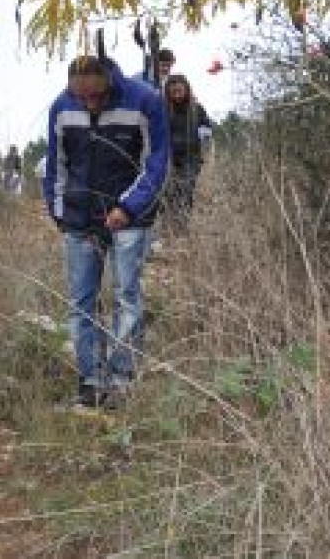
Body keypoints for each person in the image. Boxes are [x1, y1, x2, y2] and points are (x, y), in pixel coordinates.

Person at [43, 55, 170, 409]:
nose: (89, 103)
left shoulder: (144, 101)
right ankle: (90, 380)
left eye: (95, 96)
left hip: (132, 218)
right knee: (81, 302)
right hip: (79, 219)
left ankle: (121, 380)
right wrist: (59, 213)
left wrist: (127, 207)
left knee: (126, 296)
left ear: (109, 82)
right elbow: (56, 164)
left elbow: (156, 162)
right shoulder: (62, 106)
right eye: (81, 96)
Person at [163, 74, 213, 230]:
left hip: (191, 158)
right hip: (168, 159)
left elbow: (206, 131)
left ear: (186, 89)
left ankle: (181, 227)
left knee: (186, 192)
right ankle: (168, 227)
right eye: (173, 92)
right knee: (168, 194)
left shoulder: (197, 109)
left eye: (179, 91)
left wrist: (204, 149)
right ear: (168, 92)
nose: (177, 95)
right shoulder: (163, 109)